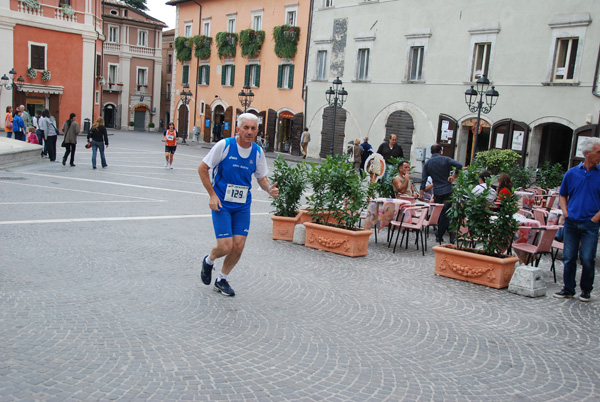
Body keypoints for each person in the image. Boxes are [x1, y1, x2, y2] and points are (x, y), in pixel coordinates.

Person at [198, 113, 279, 297]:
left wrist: (269, 189)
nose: (249, 132)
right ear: (238, 129)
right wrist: (212, 195)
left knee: (239, 246)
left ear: (257, 131)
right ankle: (209, 260)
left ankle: (221, 279)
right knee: (225, 246)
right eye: (246, 128)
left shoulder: (257, 152)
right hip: (222, 204)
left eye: (253, 128)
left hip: (242, 206)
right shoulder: (225, 146)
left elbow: (261, 178)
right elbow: (202, 168)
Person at [553, 137, 600, 302]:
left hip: (590, 224)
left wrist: (595, 218)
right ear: (587, 154)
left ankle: (586, 290)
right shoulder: (572, 173)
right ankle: (568, 289)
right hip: (571, 222)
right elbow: (563, 194)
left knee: (587, 257)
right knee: (569, 256)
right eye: (598, 152)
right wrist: (565, 212)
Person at [420, 143, 463, 243]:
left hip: (437, 191)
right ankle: (447, 233)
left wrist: (421, 194)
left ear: (431, 152)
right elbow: (459, 165)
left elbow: (423, 180)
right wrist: (454, 176)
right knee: (445, 214)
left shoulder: (428, 163)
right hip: (448, 190)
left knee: (441, 213)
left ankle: (440, 234)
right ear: (440, 151)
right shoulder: (446, 159)